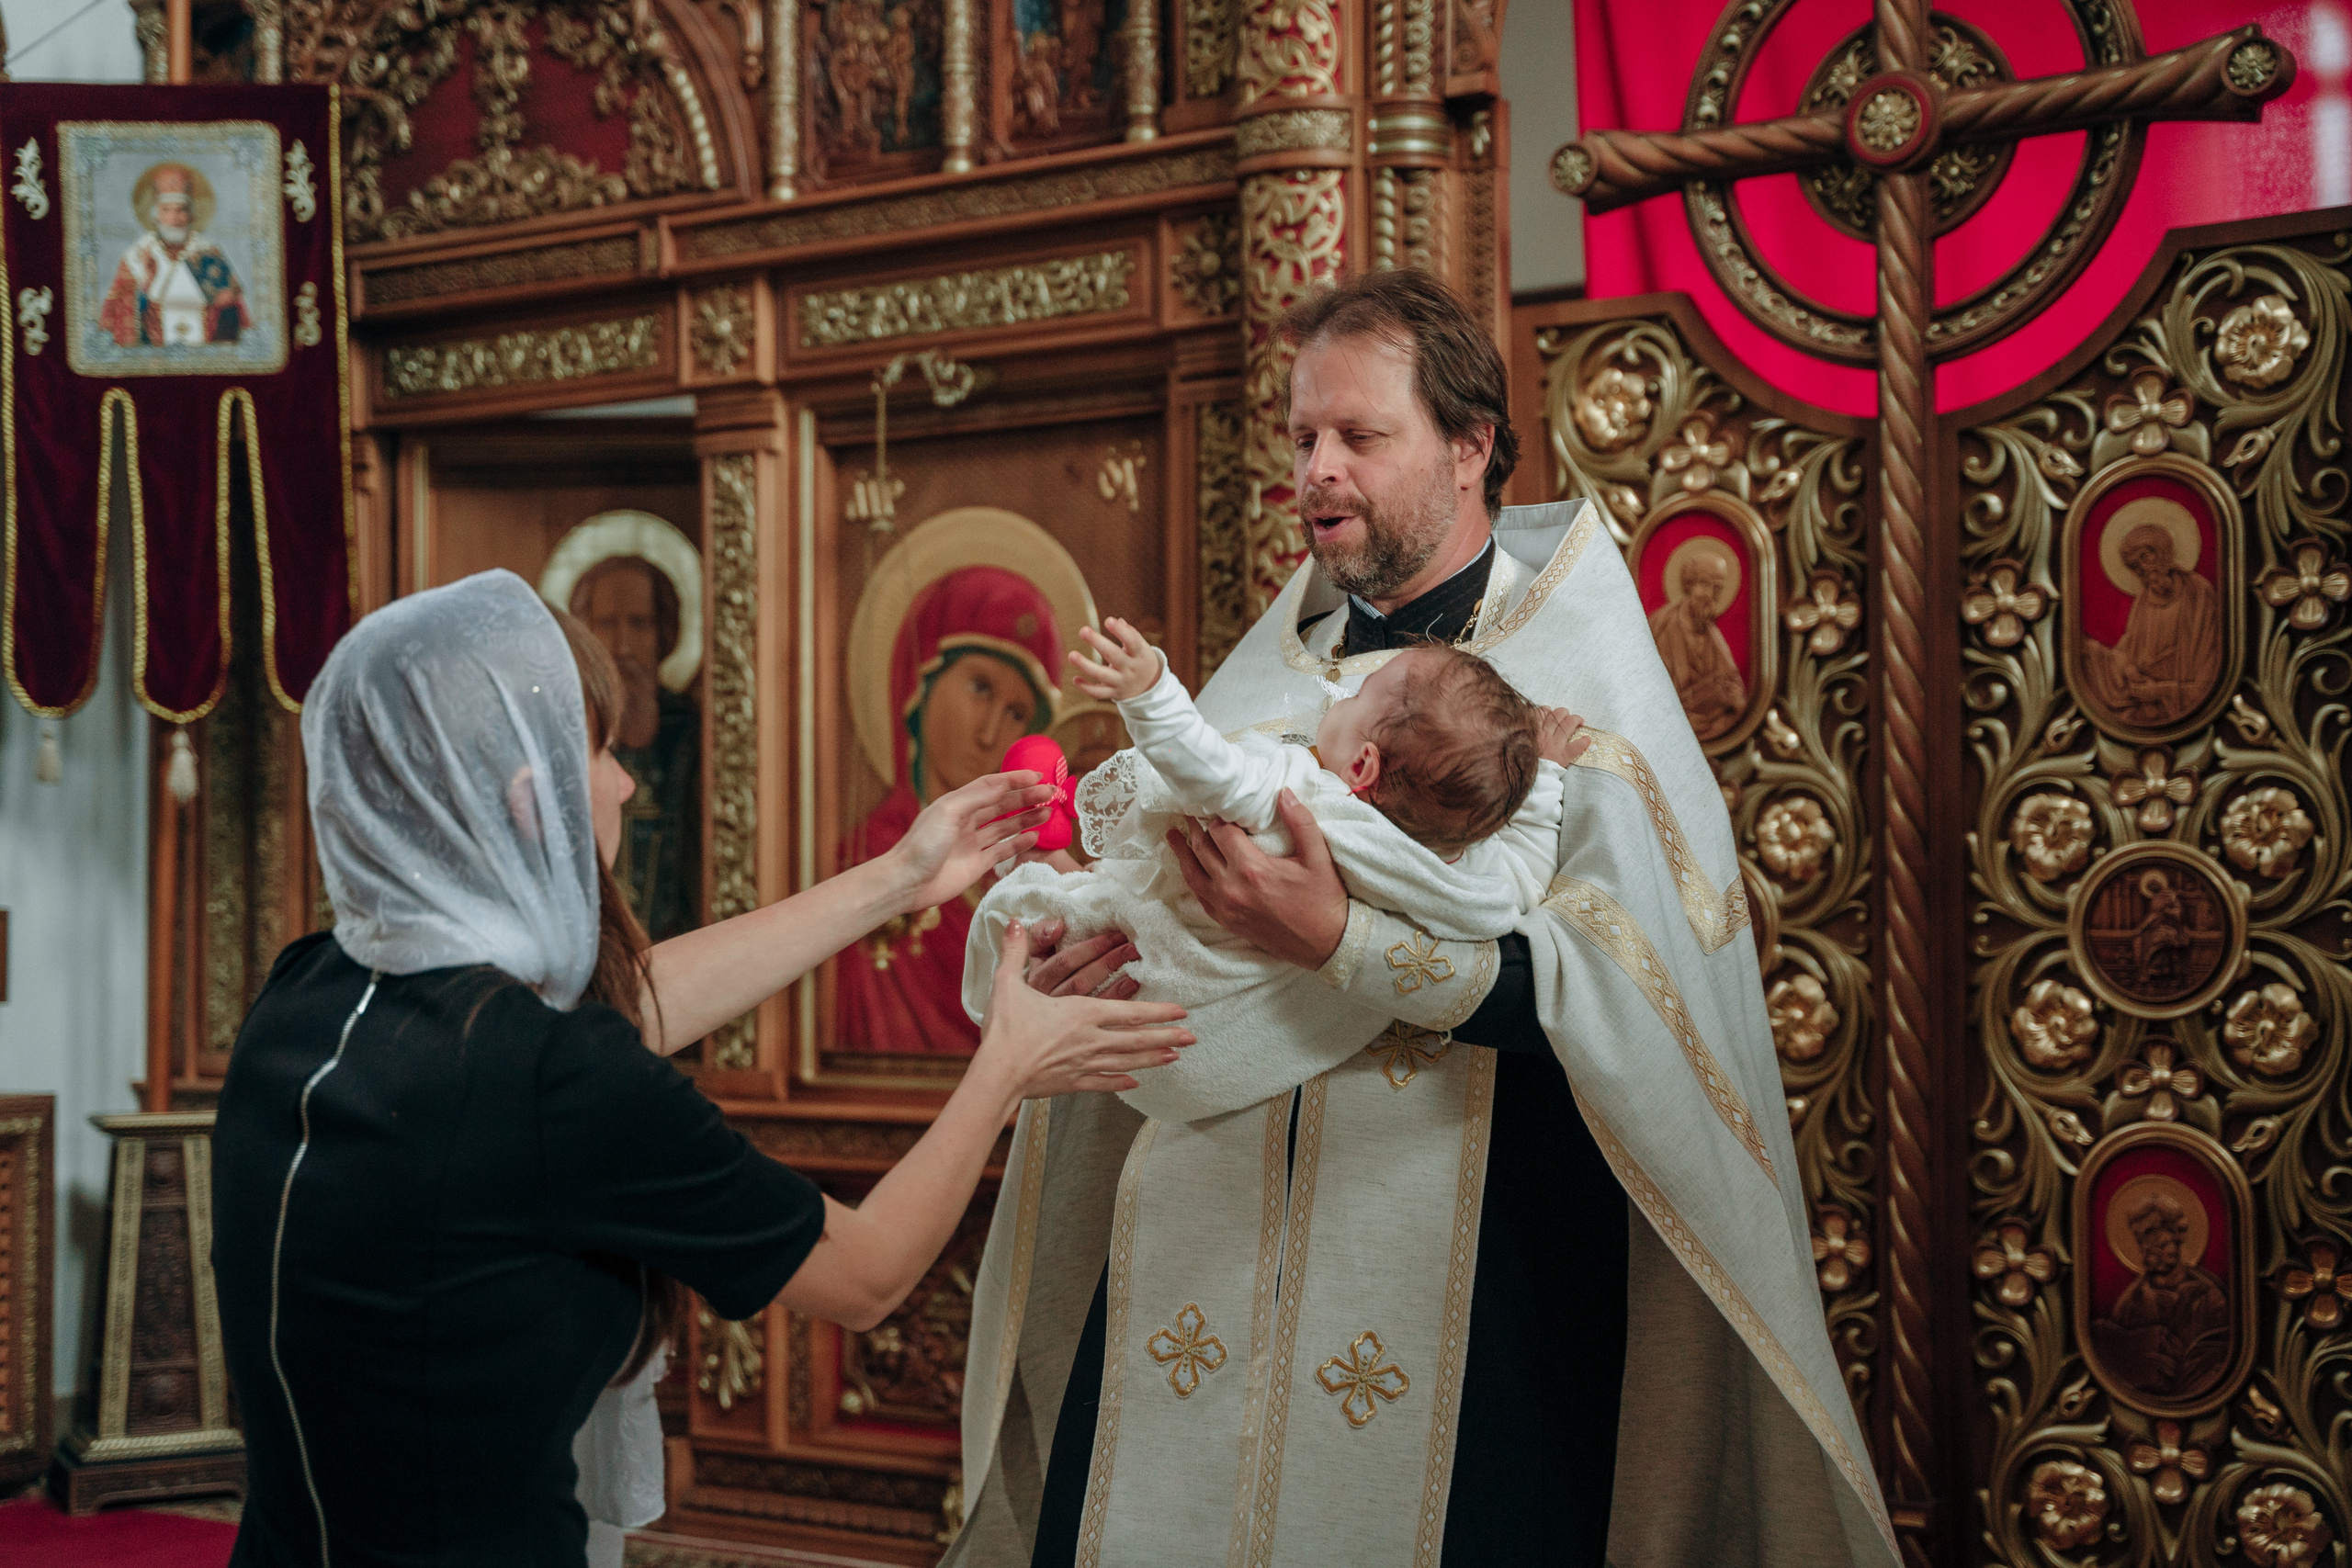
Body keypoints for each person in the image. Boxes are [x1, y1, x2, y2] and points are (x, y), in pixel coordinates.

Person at [945, 270, 1897, 1568]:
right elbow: (1166, 904)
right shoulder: (1261, 676)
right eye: (1301, 439)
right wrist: (1090, 958)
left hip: (1470, 1274)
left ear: (1471, 445)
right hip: (1201, 1246)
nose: (1318, 471)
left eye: (1359, 436)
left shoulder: (1579, 687)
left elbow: (1630, 996)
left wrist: (1342, 940)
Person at [209, 570, 1192, 1567]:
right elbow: (865, 1275)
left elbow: (624, 1008)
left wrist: (899, 876)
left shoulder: (309, 992)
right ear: (528, 802)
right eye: (596, 753)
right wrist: (1007, 1063)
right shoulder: (555, 1081)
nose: (630, 783)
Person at [962, 621, 1589, 1119]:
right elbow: (1530, 874)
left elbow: (1211, 771)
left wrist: (1151, 693)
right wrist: (1546, 774)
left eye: (1358, 695)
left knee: (1074, 918)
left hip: (1161, 1003)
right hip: (1213, 1068)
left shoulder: (1304, 803)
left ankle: (1036, 857)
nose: (1339, 693)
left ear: (1363, 766)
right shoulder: (1466, 873)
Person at [838, 565, 1063, 1054]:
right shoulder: (863, 858)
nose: (989, 734)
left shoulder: (1023, 871)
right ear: (920, 685)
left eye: (1016, 713)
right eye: (980, 687)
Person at [569, 555, 699, 940]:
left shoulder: (695, 732)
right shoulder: (563, 728)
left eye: (640, 624)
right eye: (606, 624)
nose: (622, 645)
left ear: (666, 632)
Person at [2080, 515, 2222, 727]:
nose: (2145, 571)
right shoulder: (2144, 598)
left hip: (2186, 709)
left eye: (2146, 558)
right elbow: (2127, 651)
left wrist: (2160, 691)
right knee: (2087, 654)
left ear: (2163, 552)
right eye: (2136, 567)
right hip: (2143, 700)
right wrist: (2125, 668)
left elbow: (2207, 679)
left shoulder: (2198, 593)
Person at [2091, 1190, 2230, 1400]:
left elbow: (2218, 1362)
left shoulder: (2210, 1298)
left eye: (2152, 1234)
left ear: (2176, 1234)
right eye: (2140, 1238)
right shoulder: (2131, 1303)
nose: (2147, 1246)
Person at [98, 164, 246, 347]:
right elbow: (114, 314)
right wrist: (146, 285)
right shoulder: (136, 256)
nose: (174, 219)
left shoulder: (208, 253)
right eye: (166, 210)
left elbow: (237, 316)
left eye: (181, 210)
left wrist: (225, 303)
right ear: (155, 215)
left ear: (192, 215)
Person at [1648, 544, 1747, 740]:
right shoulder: (1660, 626)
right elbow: (1646, 688)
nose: (1710, 595)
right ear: (1688, 584)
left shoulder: (1712, 634)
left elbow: (1736, 690)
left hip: (1714, 728)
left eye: (1717, 588)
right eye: (1704, 584)